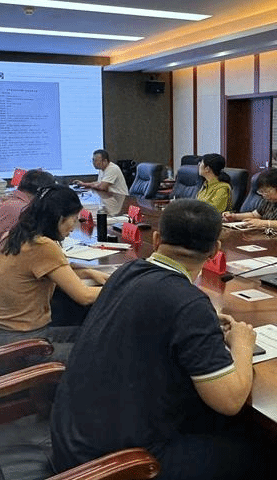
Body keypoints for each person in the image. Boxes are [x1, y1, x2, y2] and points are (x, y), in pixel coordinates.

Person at [51, 199, 264, 480]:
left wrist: (201, 322)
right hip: (114, 464)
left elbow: (157, 312)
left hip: (71, 443)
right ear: (215, 250)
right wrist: (242, 345)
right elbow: (230, 401)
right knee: (258, 451)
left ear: (157, 238)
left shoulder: (126, 272)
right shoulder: (188, 304)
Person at [0, 185, 106, 363]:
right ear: (60, 218)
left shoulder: (13, 236)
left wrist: (87, 272)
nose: (74, 227)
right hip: (21, 346)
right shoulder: (42, 245)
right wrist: (123, 285)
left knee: (96, 335)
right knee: (103, 353)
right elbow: (84, 296)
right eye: (74, 219)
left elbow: (46, 270)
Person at [222, 168, 277, 232]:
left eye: (267, 191)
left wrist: (263, 223)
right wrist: (234, 216)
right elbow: (255, 215)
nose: (264, 195)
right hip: (273, 236)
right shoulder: (268, 199)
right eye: (261, 191)